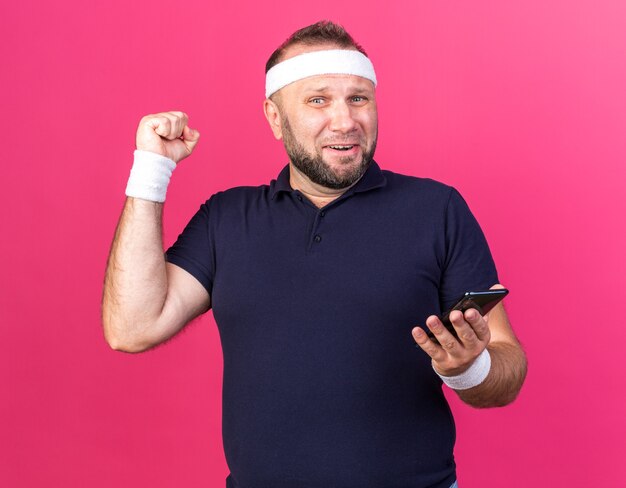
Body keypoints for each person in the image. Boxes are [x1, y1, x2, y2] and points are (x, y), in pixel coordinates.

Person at [102, 20, 527, 488]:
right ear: (275, 117)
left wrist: (470, 368)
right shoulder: (227, 218)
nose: (345, 120)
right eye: (318, 100)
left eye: (358, 98)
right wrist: (151, 169)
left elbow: (507, 369)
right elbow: (132, 328)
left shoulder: (437, 209)